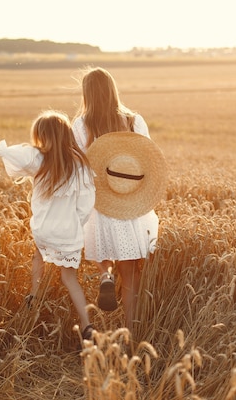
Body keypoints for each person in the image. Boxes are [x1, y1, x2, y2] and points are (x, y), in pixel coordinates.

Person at [0, 110, 96, 340]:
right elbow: (86, 203)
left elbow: (21, 156)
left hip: (44, 229)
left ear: (43, 136)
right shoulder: (80, 166)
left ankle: (33, 297)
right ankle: (87, 326)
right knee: (69, 278)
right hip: (69, 231)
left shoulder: (38, 158)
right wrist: (75, 224)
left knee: (38, 257)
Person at [72, 67, 161, 332]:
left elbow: (78, 165)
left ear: (86, 93)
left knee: (104, 252)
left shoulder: (82, 124)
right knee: (131, 275)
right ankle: (131, 335)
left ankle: (105, 275)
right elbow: (146, 158)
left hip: (100, 202)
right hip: (130, 201)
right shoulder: (134, 120)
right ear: (113, 89)